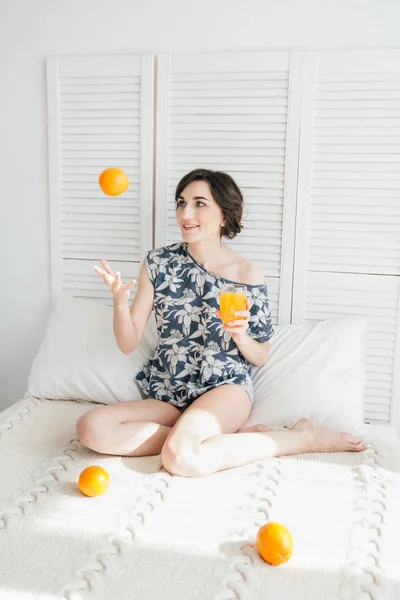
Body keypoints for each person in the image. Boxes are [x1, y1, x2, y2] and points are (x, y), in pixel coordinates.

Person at [76, 168, 366, 477]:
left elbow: (261, 355)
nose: (185, 213)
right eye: (181, 202)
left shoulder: (246, 273)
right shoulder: (158, 263)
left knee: (180, 458)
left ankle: (299, 437)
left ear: (224, 216)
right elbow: (127, 342)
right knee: (91, 427)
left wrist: (241, 336)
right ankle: (217, 440)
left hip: (224, 387)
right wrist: (120, 303)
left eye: (199, 203)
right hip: (170, 387)